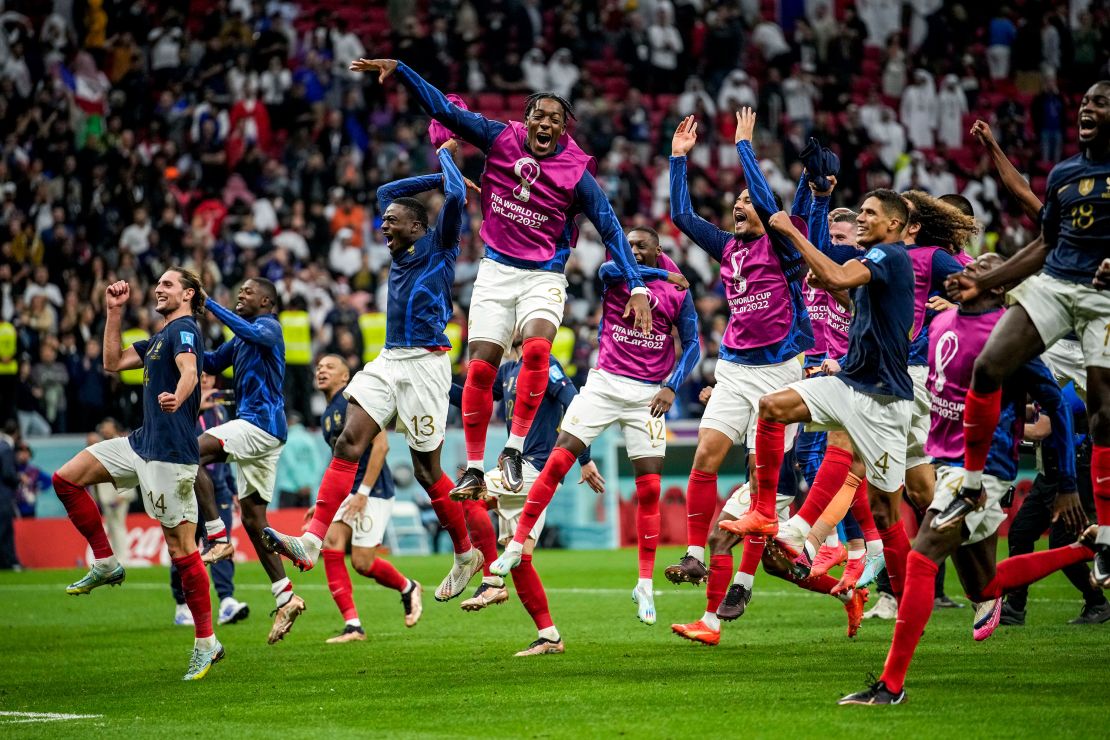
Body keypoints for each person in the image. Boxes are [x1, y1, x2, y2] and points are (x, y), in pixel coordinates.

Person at [345, 57, 651, 503]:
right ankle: (472, 467)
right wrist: (405, 70)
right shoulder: (499, 138)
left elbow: (610, 227)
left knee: (538, 349)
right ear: (526, 121)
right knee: (482, 365)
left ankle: (512, 449)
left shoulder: (577, 172)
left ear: (564, 130)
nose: (546, 123)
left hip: (543, 274)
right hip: (495, 269)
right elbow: (445, 112)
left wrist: (639, 286)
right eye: (539, 115)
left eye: (556, 119)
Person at [841, 254, 1096, 705]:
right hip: (944, 463)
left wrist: (1066, 482)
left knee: (923, 557)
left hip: (984, 472)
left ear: (999, 288)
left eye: (983, 270)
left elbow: (1056, 404)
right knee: (986, 585)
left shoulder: (1009, 337)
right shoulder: (942, 323)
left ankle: (891, 686)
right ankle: (1087, 549)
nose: (969, 270)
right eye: (973, 264)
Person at [264, 141, 485, 605]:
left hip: (426, 364)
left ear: (418, 226)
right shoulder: (401, 252)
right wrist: (436, 173)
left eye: (392, 221)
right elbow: (387, 188)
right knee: (348, 439)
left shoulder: (440, 245)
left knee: (428, 472)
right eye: (384, 220)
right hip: (389, 359)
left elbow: (456, 200)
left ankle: (466, 553)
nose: (383, 225)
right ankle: (312, 537)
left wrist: (447, 158)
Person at [489, 226, 700, 627]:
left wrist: (673, 386)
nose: (633, 251)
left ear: (659, 248)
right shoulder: (616, 274)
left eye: (642, 246)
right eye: (629, 245)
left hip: (648, 394)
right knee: (559, 458)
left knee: (650, 488)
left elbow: (692, 344)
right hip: (603, 383)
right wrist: (660, 276)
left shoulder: (679, 292)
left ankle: (643, 583)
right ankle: (517, 544)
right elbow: (606, 271)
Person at [943, 81, 1110, 585]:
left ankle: (1105, 537)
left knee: (1105, 412)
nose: (1087, 108)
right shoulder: (1064, 174)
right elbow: (1044, 242)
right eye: (1084, 102)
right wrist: (983, 280)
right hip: (1057, 286)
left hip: (1102, 298)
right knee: (988, 365)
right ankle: (971, 485)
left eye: (1099, 102)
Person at [725, 189, 916, 607]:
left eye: (870, 213)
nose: (862, 218)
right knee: (772, 406)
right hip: (850, 383)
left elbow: (838, 277)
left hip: (884, 400)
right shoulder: (873, 263)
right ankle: (770, 513)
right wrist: (830, 286)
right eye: (860, 211)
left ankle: (906, 594)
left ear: (894, 225)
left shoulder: (891, 256)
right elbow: (849, 295)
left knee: (887, 514)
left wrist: (793, 233)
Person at [662, 111, 814, 588]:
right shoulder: (727, 247)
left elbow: (771, 210)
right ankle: (692, 553)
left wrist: (744, 147)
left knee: (760, 482)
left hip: (779, 371)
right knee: (705, 455)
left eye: (749, 201)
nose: (740, 206)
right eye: (737, 201)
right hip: (733, 368)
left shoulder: (785, 247)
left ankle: (747, 583)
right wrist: (677, 160)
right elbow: (683, 217)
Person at [50, 269, 223, 680]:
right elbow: (112, 363)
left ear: (188, 293)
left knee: (182, 551)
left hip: (170, 454)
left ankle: (206, 642)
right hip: (140, 443)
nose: (158, 288)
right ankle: (107, 562)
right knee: (66, 478)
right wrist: (114, 311)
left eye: (167, 284)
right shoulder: (158, 337)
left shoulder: (184, 329)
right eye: (158, 283)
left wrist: (177, 398)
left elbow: (189, 372)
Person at [449, 336, 603, 655]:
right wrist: (436, 379)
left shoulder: (546, 365)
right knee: (519, 558)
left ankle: (492, 582)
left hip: (535, 468)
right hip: (519, 472)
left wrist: (584, 459)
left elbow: (576, 407)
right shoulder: (507, 370)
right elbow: (469, 397)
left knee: (471, 494)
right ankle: (549, 636)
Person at [193, 276, 301, 645]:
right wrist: (180, 338)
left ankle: (217, 536)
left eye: (248, 292)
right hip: (265, 434)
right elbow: (209, 363)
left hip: (259, 425)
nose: (241, 295)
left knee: (189, 454)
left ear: (267, 301)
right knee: (255, 520)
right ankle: (286, 595)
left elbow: (257, 335)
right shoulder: (241, 337)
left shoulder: (269, 327)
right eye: (238, 292)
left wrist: (210, 305)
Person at [313, 354, 422, 643]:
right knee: (332, 543)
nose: (321, 370)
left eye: (330, 367)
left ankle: (408, 586)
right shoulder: (327, 415)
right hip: (351, 492)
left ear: (345, 378)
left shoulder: (354, 404)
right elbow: (338, 462)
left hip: (372, 490)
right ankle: (353, 626)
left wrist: (362, 493)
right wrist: (323, 503)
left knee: (362, 562)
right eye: (319, 367)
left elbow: (382, 446)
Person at [1003, 388, 1110, 625]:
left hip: (1070, 475)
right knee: (1021, 532)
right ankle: (1015, 607)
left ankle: (1097, 602)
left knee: (1061, 543)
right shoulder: (1054, 381)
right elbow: (1037, 412)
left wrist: (1002, 426)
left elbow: (1042, 429)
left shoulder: (1069, 388)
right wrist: (1007, 410)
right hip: (1048, 474)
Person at [172, 372, 249, 627]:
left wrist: (231, 487)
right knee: (186, 548)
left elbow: (224, 453)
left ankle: (227, 602)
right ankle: (182, 604)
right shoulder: (179, 404)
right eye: (200, 375)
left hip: (218, 491)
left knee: (221, 545)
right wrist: (194, 409)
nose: (205, 380)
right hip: (186, 489)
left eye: (208, 376)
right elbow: (175, 441)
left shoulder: (221, 413)